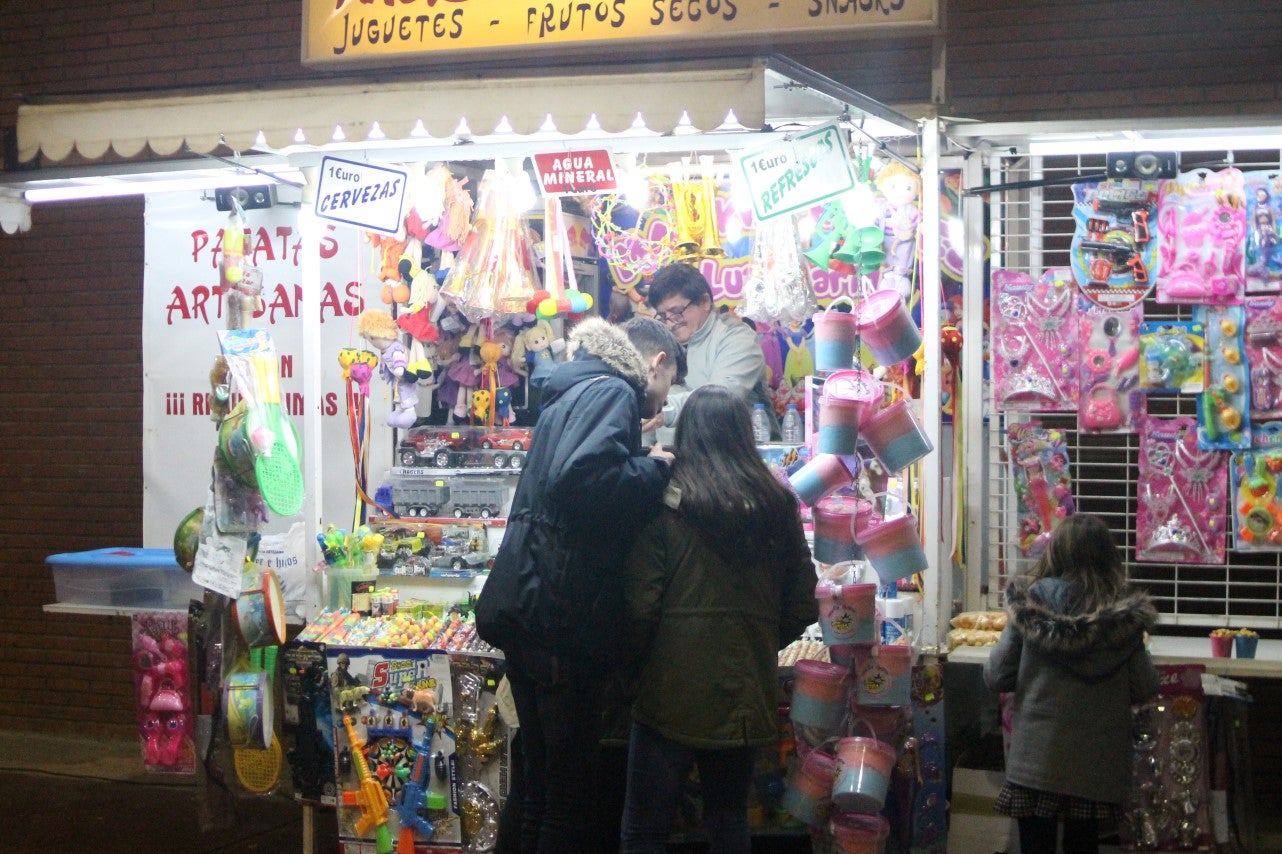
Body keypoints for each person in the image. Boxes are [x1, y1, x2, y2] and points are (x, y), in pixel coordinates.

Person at [475, 315, 683, 854]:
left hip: (527, 601)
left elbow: (571, 476)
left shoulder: (573, 390)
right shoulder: (615, 388)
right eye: (669, 380)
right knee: (566, 796)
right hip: (562, 613)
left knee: (538, 783)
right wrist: (655, 468)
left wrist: (632, 451)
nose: (663, 394)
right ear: (655, 363)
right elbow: (583, 481)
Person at [619, 385, 818, 853]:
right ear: (744, 436)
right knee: (729, 821)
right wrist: (759, 637)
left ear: (687, 432)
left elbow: (640, 602)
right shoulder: (777, 505)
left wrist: (635, 665)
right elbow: (804, 602)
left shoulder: (664, 499)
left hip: (668, 688)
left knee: (646, 827)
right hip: (745, 687)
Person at [983, 514, 1160, 854]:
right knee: (1083, 846)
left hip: (1036, 762)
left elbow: (996, 676)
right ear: (1109, 557)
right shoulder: (1122, 618)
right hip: (1096, 767)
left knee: (1036, 846)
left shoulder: (1030, 606)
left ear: (1056, 553)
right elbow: (1145, 686)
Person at [645, 262, 776, 441]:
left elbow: (720, 397)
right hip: (674, 461)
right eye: (662, 316)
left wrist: (663, 409)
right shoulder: (662, 345)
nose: (669, 322)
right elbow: (647, 423)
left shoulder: (737, 337)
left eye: (677, 311)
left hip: (733, 460)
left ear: (704, 301)